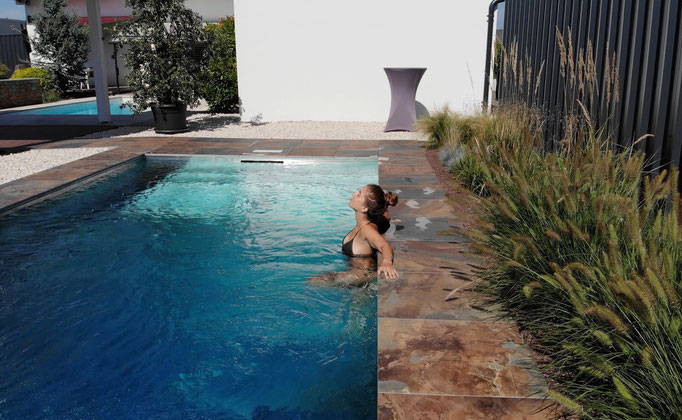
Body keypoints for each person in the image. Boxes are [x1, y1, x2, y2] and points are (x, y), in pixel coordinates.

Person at [310, 184, 399, 287]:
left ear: (364, 208)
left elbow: (384, 246)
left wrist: (387, 262)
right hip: (354, 274)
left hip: (362, 277)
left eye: (359, 194)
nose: (355, 193)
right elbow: (385, 217)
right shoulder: (365, 224)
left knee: (316, 281)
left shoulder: (367, 230)